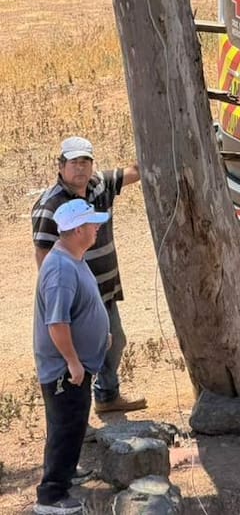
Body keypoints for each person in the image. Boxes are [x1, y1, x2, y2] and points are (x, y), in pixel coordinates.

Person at [32, 137, 145, 415]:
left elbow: (135, 171)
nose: (80, 168)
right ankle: (73, 417)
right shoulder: (50, 205)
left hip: (103, 288)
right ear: (60, 166)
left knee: (114, 341)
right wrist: (59, 295)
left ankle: (106, 396)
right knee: (74, 356)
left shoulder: (99, 185)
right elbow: (43, 255)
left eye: (85, 162)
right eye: (73, 162)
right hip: (75, 296)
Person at [33, 199, 113, 515]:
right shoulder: (61, 270)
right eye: (93, 223)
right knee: (65, 427)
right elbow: (57, 322)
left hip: (73, 367)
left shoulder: (73, 257)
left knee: (73, 424)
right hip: (63, 371)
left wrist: (98, 336)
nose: (97, 228)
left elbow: (81, 308)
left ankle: (67, 473)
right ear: (78, 229)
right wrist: (73, 362)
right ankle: (51, 497)